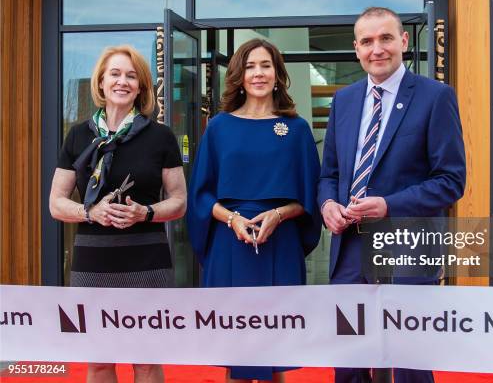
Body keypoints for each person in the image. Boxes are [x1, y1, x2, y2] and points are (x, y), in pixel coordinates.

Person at [318, 7, 466, 383]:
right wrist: (328, 204)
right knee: (349, 360)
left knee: (409, 361)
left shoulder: (435, 97)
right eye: (367, 41)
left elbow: (451, 180)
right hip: (350, 249)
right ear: (356, 49)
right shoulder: (344, 101)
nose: (376, 49)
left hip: (408, 247)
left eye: (385, 38)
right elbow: (330, 173)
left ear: (403, 41)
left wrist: (388, 205)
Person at [49, 45, 187, 383]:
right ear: (101, 82)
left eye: (131, 76)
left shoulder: (161, 136)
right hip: (93, 264)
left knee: (145, 362)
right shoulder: (78, 135)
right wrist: (90, 212)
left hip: (147, 262)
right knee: (98, 362)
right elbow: (56, 203)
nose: (122, 81)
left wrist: (148, 212)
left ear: (140, 87)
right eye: (115, 74)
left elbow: (180, 201)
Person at [187, 38, 321, 383]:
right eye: (249, 66)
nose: (258, 73)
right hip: (230, 245)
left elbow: (310, 197)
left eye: (265, 65)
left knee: (275, 352)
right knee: (238, 352)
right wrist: (232, 219)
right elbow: (201, 195)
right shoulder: (218, 127)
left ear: (277, 74)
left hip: (280, 242)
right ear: (238, 76)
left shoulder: (296, 129)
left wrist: (278, 215)